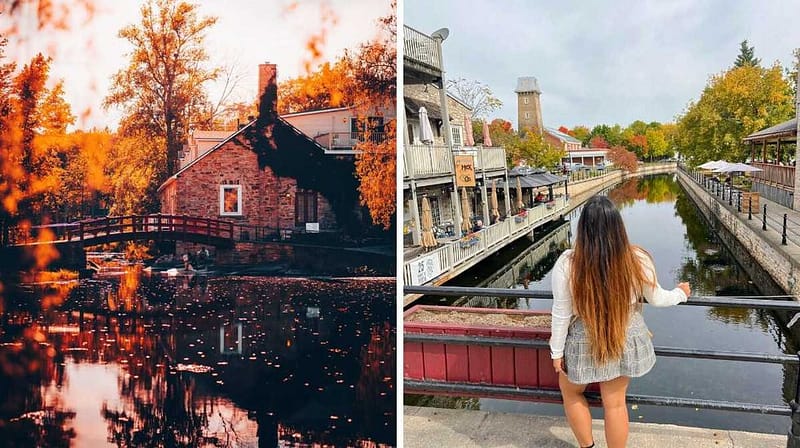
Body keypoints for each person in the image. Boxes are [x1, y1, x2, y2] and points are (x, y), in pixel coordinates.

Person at [549, 195, 691, 448]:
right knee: (614, 403)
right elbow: (657, 298)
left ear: (583, 228)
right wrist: (681, 293)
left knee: (571, 392)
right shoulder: (637, 258)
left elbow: (561, 311)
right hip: (624, 334)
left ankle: (588, 447)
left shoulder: (568, 263)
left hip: (583, 337)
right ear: (618, 226)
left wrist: (557, 351)